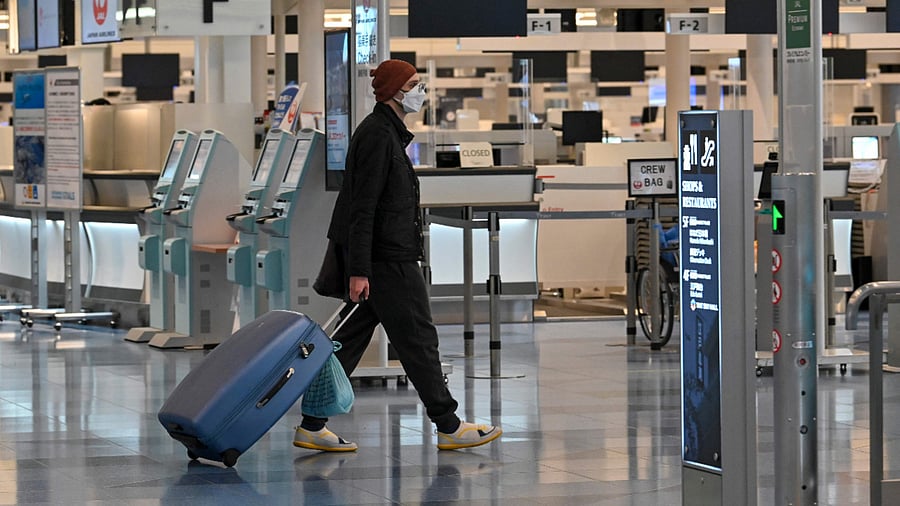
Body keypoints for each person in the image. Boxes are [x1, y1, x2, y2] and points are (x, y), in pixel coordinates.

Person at [293, 59, 502, 452]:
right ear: (395, 91)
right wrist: (359, 271)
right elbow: (362, 207)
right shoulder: (377, 136)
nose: (421, 91)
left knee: (348, 342)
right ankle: (449, 424)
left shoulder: (387, 133)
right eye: (415, 84)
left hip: (384, 259)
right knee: (419, 341)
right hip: (387, 261)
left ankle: (312, 424)